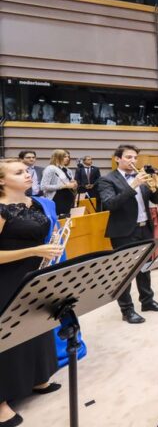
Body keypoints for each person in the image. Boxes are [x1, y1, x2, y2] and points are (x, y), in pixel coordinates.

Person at [0, 158, 65, 426]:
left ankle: (38, 378)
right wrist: (34, 251)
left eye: (27, 171)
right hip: (6, 278)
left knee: (36, 327)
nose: (28, 175)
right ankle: (1, 403)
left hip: (34, 274)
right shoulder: (1, 210)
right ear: (1, 181)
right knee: (8, 335)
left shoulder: (36, 202)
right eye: (19, 172)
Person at [95, 144, 158, 324]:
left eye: (135, 158)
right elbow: (111, 203)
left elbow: (156, 200)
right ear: (117, 159)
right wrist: (133, 184)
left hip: (145, 228)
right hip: (123, 231)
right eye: (128, 157)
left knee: (144, 267)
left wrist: (155, 184)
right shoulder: (107, 180)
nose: (133, 161)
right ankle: (127, 310)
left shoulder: (141, 177)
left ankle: (147, 301)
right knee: (125, 271)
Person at [40, 149, 77, 217]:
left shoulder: (68, 170)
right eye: (64, 157)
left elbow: (70, 185)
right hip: (56, 199)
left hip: (69, 198)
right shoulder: (50, 168)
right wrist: (63, 186)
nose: (67, 158)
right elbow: (43, 186)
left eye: (68, 157)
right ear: (57, 157)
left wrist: (74, 185)